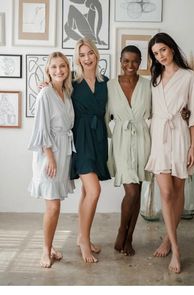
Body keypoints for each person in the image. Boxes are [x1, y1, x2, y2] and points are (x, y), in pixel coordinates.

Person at [145, 32, 194, 273]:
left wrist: (193, 146)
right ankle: (177, 248)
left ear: (171, 48)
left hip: (181, 136)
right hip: (159, 138)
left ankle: (168, 239)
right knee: (166, 191)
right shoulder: (154, 78)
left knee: (179, 190)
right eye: (155, 53)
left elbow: (193, 114)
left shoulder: (189, 76)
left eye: (162, 50)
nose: (159, 56)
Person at [28, 52, 75, 268]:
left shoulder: (66, 92)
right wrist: (50, 158)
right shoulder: (45, 94)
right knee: (53, 207)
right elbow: (41, 129)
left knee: (55, 205)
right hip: (50, 154)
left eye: (62, 66)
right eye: (54, 67)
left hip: (63, 151)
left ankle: (51, 245)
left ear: (68, 69)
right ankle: (45, 251)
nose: (59, 70)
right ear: (48, 70)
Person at [106, 45, 152, 256]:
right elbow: (104, 114)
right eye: (126, 60)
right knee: (131, 191)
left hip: (143, 139)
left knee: (138, 191)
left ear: (141, 63)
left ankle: (130, 237)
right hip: (122, 140)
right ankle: (121, 232)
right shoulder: (109, 86)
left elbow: (158, 110)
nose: (130, 65)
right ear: (121, 61)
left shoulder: (149, 85)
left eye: (135, 61)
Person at [70, 37, 110, 263]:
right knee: (94, 191)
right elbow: (55, 90)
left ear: (96, 54)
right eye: (82, 55)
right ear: (78, 58)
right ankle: (84, 241)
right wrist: (44, 85)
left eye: (90, 53)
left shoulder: (106, 82)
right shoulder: (72, 83)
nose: (87, 58)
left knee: (87, 192)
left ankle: (82, 235)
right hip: (81, 138)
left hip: (99, 138)